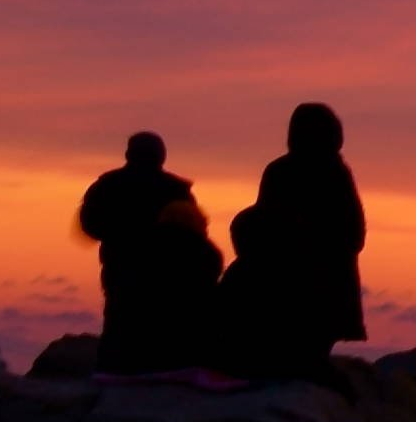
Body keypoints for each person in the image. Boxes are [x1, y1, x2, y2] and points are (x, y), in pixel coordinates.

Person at [218, 101, 368, 381]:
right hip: (316, 274)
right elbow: (354, 231)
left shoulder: (284, 170)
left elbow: (263, 223)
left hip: (290, 272)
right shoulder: (333, 171)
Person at [77, 128, 225, 373]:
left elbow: (89, 224)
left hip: (122, 263)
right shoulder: (176, 188)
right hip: (169, 270)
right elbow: (195, 231)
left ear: (128, 153)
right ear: (161, 156)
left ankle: (115, 372)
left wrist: (118, 234)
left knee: (120, 317)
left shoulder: (109, 184)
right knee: (166, 319)